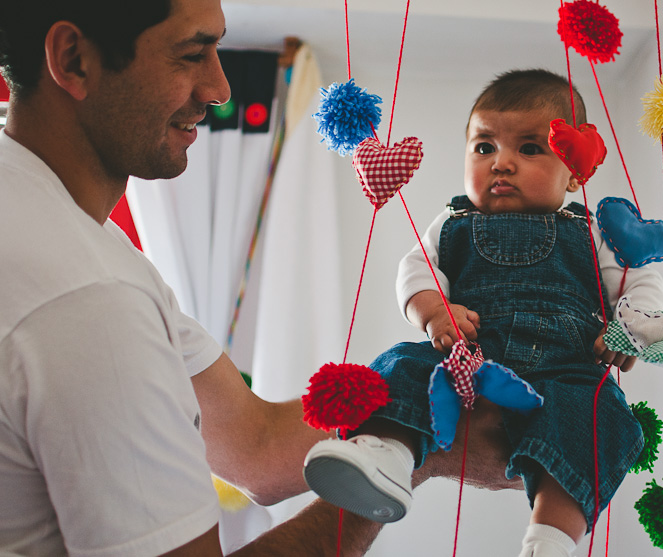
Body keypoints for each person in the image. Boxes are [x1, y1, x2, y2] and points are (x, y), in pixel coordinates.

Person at [0, 1, 518, 555]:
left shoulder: (76, 236)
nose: (219, 88)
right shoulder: (87, 296)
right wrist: (398, 468)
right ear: (74, 59)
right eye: (192, 54)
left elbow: (255, 444)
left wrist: (426, 421)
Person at [303, 69, 663, 557]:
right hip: (466, 359)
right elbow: (416, 270)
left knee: (601, 415)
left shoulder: (593, 233)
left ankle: (552, 537)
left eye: (530, 148)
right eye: (484, 147)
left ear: (576, 171)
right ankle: (385, 457)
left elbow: (639, 282)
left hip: (567, 370)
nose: (502, 164)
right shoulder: (452, 224)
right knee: (401, 366)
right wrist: (433, 310)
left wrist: (630, 328)